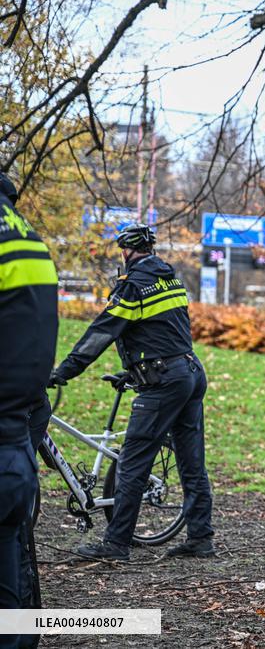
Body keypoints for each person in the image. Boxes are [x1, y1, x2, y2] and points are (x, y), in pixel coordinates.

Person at [50, 223, 214, 561]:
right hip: (190, 372)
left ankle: (116, 544)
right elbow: (163, 331)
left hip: (165, 381)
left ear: (126, 251)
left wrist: (63, 372)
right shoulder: (170, 279)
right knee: (191, 462)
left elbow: (101, 333)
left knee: (132, 462)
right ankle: (200, 538)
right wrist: (135, 369)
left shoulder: (132, 287)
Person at [0, 173, 57, 649]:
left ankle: (118, 536)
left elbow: (108, 325)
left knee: (138, 454)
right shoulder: (28, 238)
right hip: (16, 435)